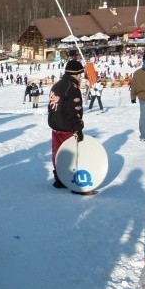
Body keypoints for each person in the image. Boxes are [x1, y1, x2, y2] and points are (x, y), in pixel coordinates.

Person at [48, 59, 85, 191]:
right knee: (69, 154)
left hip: (55, 125)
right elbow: (74, 111)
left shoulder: (57, 85)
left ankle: (58, 178)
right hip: (66, 127)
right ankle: (68, 178)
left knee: (57, 153)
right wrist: (78, 128)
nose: (81, 76)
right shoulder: (72, 88)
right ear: (76, 74)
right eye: (80, 73)